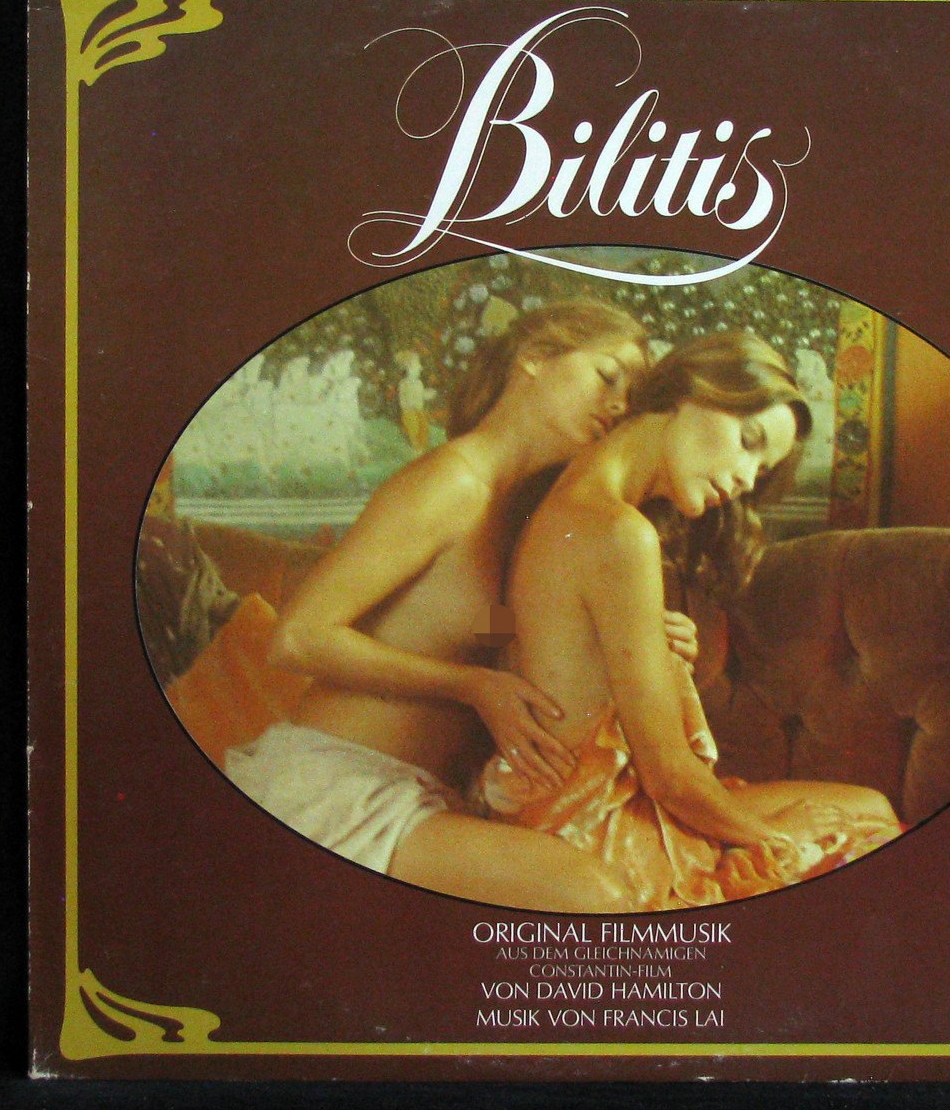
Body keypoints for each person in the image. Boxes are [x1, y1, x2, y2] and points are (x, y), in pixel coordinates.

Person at [228, 298, 693, 912]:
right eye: (607, 376)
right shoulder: (453, 482)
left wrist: (636, 631)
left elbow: (485, 639)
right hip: (335, 788)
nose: (616, 405)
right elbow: (298, 638)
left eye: (628, 398)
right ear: (534, 357)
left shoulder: (515, 515)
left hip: (429, 799)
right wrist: (471, 686)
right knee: (592, 896)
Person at [478, 331, 902, 911]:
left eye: (762, 467)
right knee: (865, 828)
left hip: (547, 799)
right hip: (592, 820)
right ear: (687, 393)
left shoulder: (562, 503)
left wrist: (639, 640)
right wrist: (776, 841)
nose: (747, 478)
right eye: (748, 441)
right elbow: (669, 777)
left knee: (868, 807)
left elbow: (523, 647)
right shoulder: (619, 534)